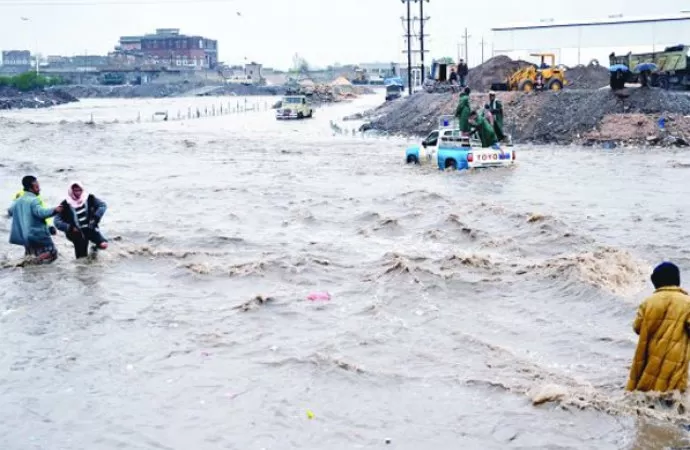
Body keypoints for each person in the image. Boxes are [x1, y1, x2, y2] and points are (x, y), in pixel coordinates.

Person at [627, 262, 690, 393]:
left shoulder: (648, 302)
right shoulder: (687, 302)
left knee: (647, 389)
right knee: (674, 393)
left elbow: (637, 327)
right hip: (675, 359)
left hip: (650, 354)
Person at [7, 175, 63, 263]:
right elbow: (41, 213)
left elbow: (9, 211)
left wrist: (17, 201)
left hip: (25, 236)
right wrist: (55, 210)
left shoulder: (18, 201)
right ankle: (32, 262)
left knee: (30, 254)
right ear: (30, 188)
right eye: (37, 187)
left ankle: (29, 269)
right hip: (37, 235)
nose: (39, 189)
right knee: (52, 252)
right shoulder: (34, 200)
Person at [53, 181, 108, 259]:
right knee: (81, 259)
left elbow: (102, 206)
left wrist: (95, 217)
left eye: (80, 190)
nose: (78, 193)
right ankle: (82, 270)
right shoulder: (65, 204)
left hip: (91, 228)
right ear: (71, 191)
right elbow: (56, 221)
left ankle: (93, 251)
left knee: (104, 244)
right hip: (76, 233)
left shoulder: (89, 198)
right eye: (75, 190)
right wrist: (70, 227)